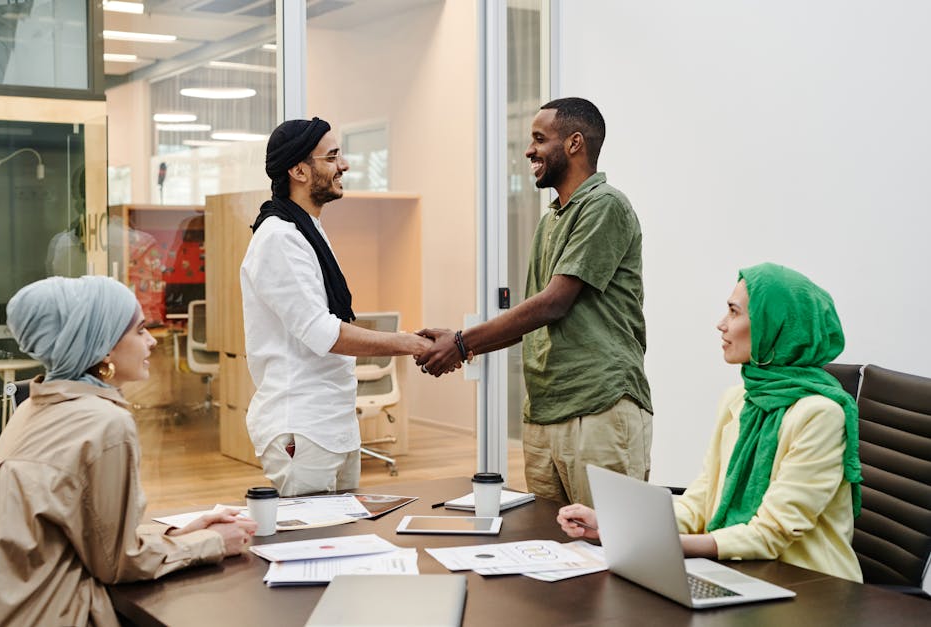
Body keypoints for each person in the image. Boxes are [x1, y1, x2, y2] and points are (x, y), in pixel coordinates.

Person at [558, 263, 864, 582]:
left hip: (810, 586)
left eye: (734, 312)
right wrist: (616, 526)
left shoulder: (822, 415)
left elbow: (771, 533)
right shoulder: (738, 400)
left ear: (771, 325)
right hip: (739, 572)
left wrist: (657, 545)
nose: (721, 324)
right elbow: (700, 504)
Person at [416, 97, 652, 506]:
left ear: (575, 143)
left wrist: (461, 342)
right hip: (546, 409)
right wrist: (463, 342)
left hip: (598, 406)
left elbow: (552, 304)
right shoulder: (552, 219)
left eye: (539, 139)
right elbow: (535, 315)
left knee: (606, 546)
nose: (529, 151)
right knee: (552, 547)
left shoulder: (605, 205)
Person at [0, 276, 257, 627]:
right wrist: (211, 541)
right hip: (61, 612)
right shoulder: (104, 422)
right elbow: (119, 563)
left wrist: (179, 533)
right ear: (104, 346)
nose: (151, 343)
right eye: (140, 330)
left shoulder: (31, 409)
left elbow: (84, 536)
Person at [241, 118, 432, 497]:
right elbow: (324, 333)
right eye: (331, 157)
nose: (343, 165)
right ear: (298, 170)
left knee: (343, 540)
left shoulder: (305, 228)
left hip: (332, 422)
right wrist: (412, 344)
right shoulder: (280, 238)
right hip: (303, 424)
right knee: (313, 545)